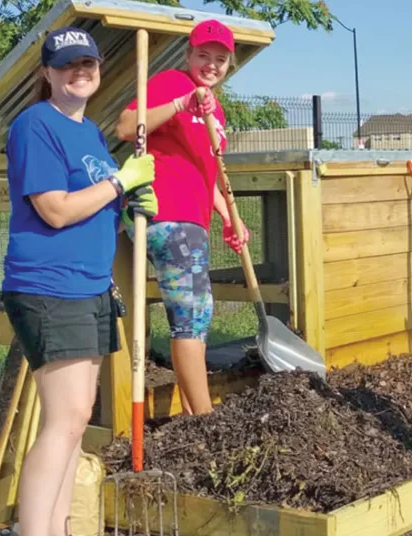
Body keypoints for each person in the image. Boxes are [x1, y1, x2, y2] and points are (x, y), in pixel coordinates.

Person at [1, 27, 157, 536]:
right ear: (46, 73)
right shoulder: (35, 125)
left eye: (87, 64)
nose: (80, 72)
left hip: (89, 285)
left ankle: (63, 528)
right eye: (68, 65)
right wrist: (119, 181)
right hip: (49, 286)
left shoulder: (88, 132)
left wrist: (129, 202)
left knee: (76, 419)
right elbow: (54, 211)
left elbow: (92, 208)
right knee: (64, 421)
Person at [116, 19, 249, 416]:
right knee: (191, 317)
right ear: (189, 55)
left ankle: (194, 414)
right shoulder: (172, 83)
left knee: (199, 313)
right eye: (203, 55)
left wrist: (229, 216)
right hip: (165, 213)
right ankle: (208, 422)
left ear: (230, 64)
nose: (211, 64)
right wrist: (180, 103)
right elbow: (124, 127)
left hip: (192, 218)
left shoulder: (216, 108)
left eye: (220, 59)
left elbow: (203, 171)